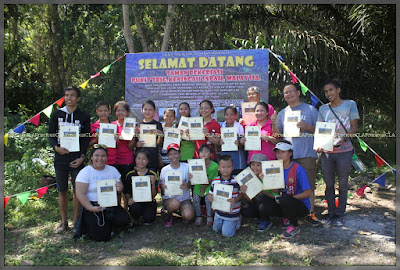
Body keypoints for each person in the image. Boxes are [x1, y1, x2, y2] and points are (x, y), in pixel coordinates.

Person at [271, 83, 321, 226]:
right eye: (286, 92)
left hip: (306, 153)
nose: (289, 94)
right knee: (287, 185)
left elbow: (322, 130)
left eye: (291, 91)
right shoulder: (282, 113)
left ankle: (310, 214)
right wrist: (274, 123)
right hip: (287, 156)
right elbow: (278, 134)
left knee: (308, 185)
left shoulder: (310, 110)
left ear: (299, 92)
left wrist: (308, 127)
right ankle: (289, 213)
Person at [244, 141, 312, 239]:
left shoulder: (298, 169)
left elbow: (308, 193)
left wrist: (289, 199)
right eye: (277, 152)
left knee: (284, 199)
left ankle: (294, 226)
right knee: (263, 205)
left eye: (283, 152)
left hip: (301, 206)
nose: (279, 155)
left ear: (290, 153)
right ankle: (285, 217)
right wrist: (266, 182)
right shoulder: (273, 168)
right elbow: (276, 193)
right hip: (283, 202)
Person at [316, 79, 359, 226]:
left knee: (343, 184)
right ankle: (331, 212)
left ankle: (341, 214)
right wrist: (320, 144)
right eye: (326, 91)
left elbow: (354, 128)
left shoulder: (350, 104)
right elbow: (320, 130)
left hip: (345, 151)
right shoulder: (323, 109)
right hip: (327, 152)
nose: (328, 93)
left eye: (331, 90)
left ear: (338, 90)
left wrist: (343, 138)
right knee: (328, 184)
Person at [48, 86, 90, 233]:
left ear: (78, 98)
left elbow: (86, 140)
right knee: (62, 190)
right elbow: (51, 135)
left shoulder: (84, 116)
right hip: (60, 158)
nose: (69, 98)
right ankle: (64, 221)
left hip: (77, 159)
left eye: (72, 95)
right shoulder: (56, 114)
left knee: (77, 191)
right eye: (66, 95)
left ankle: (76, 221)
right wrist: (56, 148)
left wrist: (82, 157)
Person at [74, 145, 131, 241]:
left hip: (110, 204)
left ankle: (109, 225)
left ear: (107, 157)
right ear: (92, 157)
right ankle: (90, 225)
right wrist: (91, 208)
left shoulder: (112, 170)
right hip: (93, 206)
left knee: (124, 220)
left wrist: (120, 187)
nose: (100, 158)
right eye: (97, 155)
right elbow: (80, 194)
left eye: (103, 156)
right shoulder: (85, 172)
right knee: (101, 237)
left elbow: (120, 186)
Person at [160, 143, 195, 227]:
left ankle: (182, 212)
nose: (173, 156)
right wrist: (163, 186)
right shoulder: (165, 169)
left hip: (184, 199)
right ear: (168, 156)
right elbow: (161, 186)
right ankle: (169, 214)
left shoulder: (187, 167)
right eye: (170, 154)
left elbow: (192, 184)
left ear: (180, 154)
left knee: (188, 215)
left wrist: (187, 185)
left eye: (175, 153)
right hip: (170, 199)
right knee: (174, 203)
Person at [208, 155, 242, 237]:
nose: (226, 169)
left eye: (228, 167)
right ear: (219, 168)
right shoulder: (215, 181)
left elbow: (242, 194)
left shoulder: (237, 180)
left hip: (232, 213)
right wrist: (210, 197)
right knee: (215, 230)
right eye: (223, 167)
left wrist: (236, 199)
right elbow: (210, 193)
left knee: (226, 234)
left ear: (233, 167)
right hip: (219, 212)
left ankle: (237, 220)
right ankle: (227, 222)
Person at [239, 153, 273, 232]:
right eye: (253, 164)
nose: (255, 167)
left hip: (269, 203)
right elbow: (250, 200)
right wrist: (244, 193)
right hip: (257, 203)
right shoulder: (248, 178)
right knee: (246, 211)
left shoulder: (268, 177)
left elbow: (275, 196)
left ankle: (266, 220)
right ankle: (259, 217)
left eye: (258, 165)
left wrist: (263, 191)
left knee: (260, 197)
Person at [124, 150, 158, 226]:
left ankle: (146, 215)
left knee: (149, 219)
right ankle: (136, 217)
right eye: (138, 158)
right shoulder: (130, 175)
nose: (141, 161)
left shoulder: (152, 174)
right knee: (134, 207)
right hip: (136, 201)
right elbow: (127, 191)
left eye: (143, 159)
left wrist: (152, 184)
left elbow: (154, 195)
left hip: (148, 201)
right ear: (135, 160)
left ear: (148, 161)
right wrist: (129, 199)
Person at [190, 144, 219, 226]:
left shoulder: (214, 166)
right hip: (198, 184)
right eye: (201, 152)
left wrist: (203, 188)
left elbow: (210, 179)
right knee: (195, 198)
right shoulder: (195, 164)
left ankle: (209, 216)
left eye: (206, 152)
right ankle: (198, 215)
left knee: (207, 198)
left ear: (211, 154)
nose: (203, 153)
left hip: (208, 185)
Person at [112, 101, 136, 187]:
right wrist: (114, 140)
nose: (120, 113)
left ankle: (126, 201)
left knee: (126, 187)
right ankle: (117, 201)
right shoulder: (111, 125)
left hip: (127, 160)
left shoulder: (132, 126)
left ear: (128, 112)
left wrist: (133, 136)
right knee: (115, 186)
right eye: (118, 110)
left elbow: (131, 147)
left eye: (123, 110)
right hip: (113, 160)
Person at [136, 100, 164, 173]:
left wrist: (160, 135)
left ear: (154, 111)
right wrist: (137, 144)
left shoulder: (158, 125)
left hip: (153, 158)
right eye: (145, 109)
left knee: (152, 181)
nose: (147, 112)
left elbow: (159, 144)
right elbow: (134, 143)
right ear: (142, 110)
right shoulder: (138, 125)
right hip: (140, 160)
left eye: (150, 110)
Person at [89, 101, 117, 165]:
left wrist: (116, 140)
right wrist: (95, 141)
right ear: (97, 112)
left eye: (105, 111)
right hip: (98, 161)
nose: (103, 113)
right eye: (100, 111)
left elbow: (119, 145)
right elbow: (88, 145)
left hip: (112, 159)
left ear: (109, 111)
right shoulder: (92, 126)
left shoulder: (114, 126)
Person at [220, 105, 246, 174]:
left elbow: (242, 142)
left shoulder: (239, 126)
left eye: (231, 115)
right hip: (226, 153)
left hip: (237, 154)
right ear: (224, 116)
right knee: (227, 172)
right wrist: (221, 141)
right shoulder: (222, 126)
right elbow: (220, 140)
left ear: (235, 116)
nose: (229, 117)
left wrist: (239, 143)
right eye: (227, 115)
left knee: (237, 172)